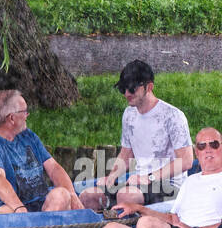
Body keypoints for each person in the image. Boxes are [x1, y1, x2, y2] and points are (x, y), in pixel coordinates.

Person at [79, 59, 194, 211]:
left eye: (132, 89)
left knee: (127, 195)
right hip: (138, 184)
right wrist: (112, 176)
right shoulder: (129, 114)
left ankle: (126, 226)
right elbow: (126, 154)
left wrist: (149, 177)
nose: (127, 94)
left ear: (149, 87)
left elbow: (186, 161)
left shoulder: (173, 116)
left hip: (170, 186)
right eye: (123, 89)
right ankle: (112, 223)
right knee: (88, 196)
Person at [0, 89, 79, 213]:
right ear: (12, 118)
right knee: (6, 211)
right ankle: (41, 227)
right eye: (24, 111)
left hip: (40, 204)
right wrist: (20, 209)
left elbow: (54, 168)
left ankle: (43, 227)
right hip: (9, 207)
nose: (27, 115)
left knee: (62, 194)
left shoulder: (28, 135)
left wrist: (72, 195)